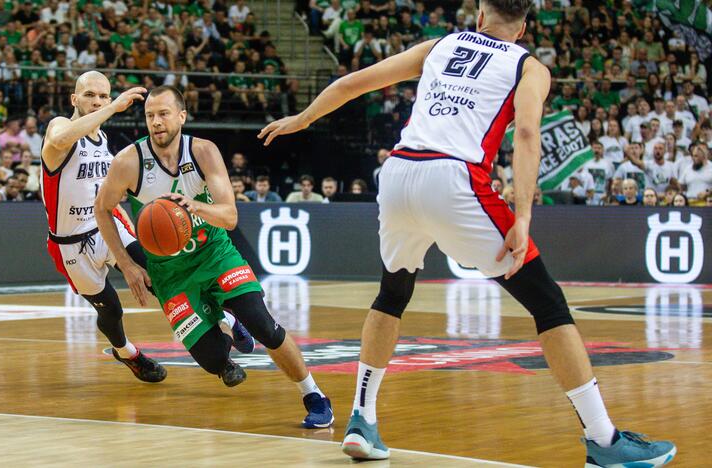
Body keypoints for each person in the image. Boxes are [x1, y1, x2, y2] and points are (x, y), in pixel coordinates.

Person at [258, 0, 677, 465]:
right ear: (523, 26)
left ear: (480, 16)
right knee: (548, 304)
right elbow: (526, 137)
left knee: (392, 293)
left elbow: (354, 82)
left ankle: (362, 418)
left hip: (398, 173)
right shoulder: (529, 66)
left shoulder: (440, 45)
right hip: (455, 178)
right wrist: (522, 216)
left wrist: (302, 120)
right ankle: (603, 441)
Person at [95, 86, 334, 428]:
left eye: (163, 114)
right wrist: (128, 263)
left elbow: (230, 216)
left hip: (214, 253)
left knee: (263, 324)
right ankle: (226, 323)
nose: (156, 122)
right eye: (150, 116)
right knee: (213, 361)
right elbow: (102, 208)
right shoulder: (128, 162)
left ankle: (313, 395)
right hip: (169, 272)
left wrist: (196, 207)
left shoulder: (203, 152)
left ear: (181, 116)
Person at [40, 71, 169, 383]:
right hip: (69, 243)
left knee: (159, 275)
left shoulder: (103, 140)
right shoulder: (59, 126)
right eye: (89, 95)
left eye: (103, 96)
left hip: (104, 227)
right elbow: (60, 139)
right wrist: (112, 109)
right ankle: (127, 353)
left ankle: (224, 322)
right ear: (74, 99)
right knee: (110, 310)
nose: (96, 101)